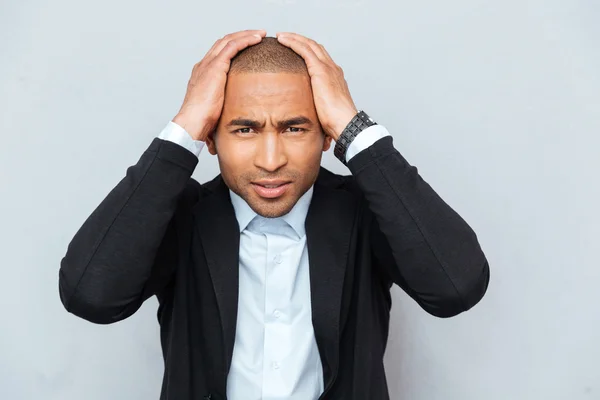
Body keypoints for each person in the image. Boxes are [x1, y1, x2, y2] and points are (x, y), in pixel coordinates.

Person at [58, 29, 490, 400]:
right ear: (211, 138)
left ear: (326, 135)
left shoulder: (366, 209)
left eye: (294, 128)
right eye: (244, 129)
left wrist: (354, 128)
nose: (270, 159)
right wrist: (184, 127)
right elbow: (90, 297)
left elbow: (456, 286)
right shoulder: (179, 215)